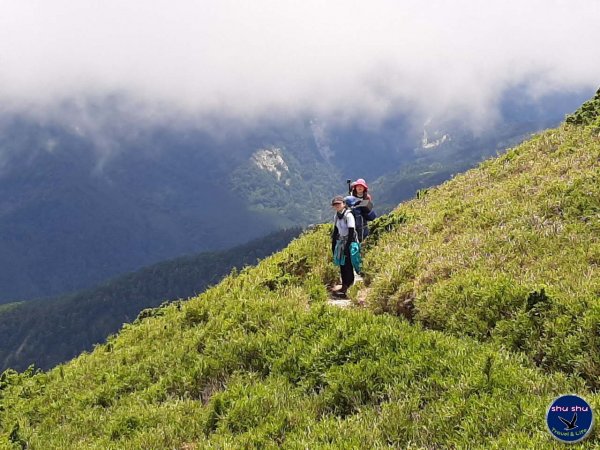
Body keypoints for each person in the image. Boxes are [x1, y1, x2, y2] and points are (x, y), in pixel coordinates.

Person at [330, 195, 356, 296]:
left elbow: (351, 232)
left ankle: (349, 285)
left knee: (348, 264)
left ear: (344, 204)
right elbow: (336, 231)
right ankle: (344, 285)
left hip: (349, 242)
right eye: (335, 205)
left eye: (338, 204)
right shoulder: (337, 216)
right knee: (342, 264)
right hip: (340, 242)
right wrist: (333, 244)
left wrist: (347, 246)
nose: (337, 206)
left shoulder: (348, 216)